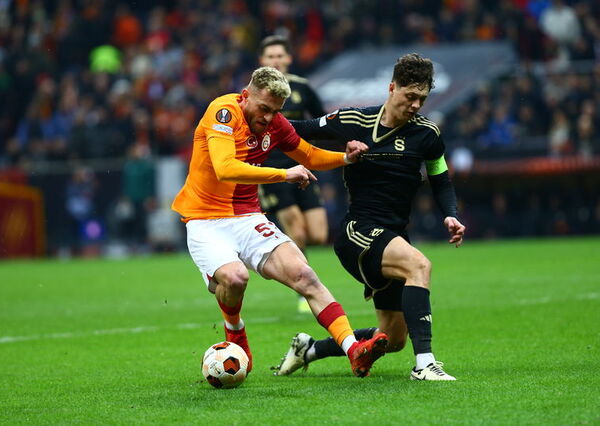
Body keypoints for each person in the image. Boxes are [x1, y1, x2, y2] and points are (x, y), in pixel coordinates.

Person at [171, 66, 388, 377]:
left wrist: (344, 158)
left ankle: (353, 350)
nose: (269, 117)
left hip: (247, 217)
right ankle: (235, 330)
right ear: (245, 96)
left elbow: (309, 155)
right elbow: (224, 168)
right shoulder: (223, 112)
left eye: (276, 111)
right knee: (235, 278)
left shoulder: (275, 123)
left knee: (305, 275)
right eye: (264, 108)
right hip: (205, 220)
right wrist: (284, 174)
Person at [272, 53, 466, 381]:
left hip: (393, 236)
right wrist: (258, 118)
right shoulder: (353, 120)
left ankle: (311, 349)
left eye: (422, 98)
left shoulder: (428, 135)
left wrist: (450, 215)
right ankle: (425, 364)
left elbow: (441, 179)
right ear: (392, 88)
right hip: (357, 231)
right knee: (419, 265)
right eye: (410, 96)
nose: (416, 105)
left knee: (392, 338)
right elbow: (300, 130)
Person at [257, 35, 328, 314]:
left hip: (302, 167)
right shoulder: (254, 92)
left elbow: (322, 121)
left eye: (279, 56)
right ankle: (304, 289)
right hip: (273, 169)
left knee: (319, 234)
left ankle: (286, 256)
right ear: (262, 61)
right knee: (296, 229)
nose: (275, 61)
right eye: (270, 56)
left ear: (288, 59)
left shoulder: (302, 87)